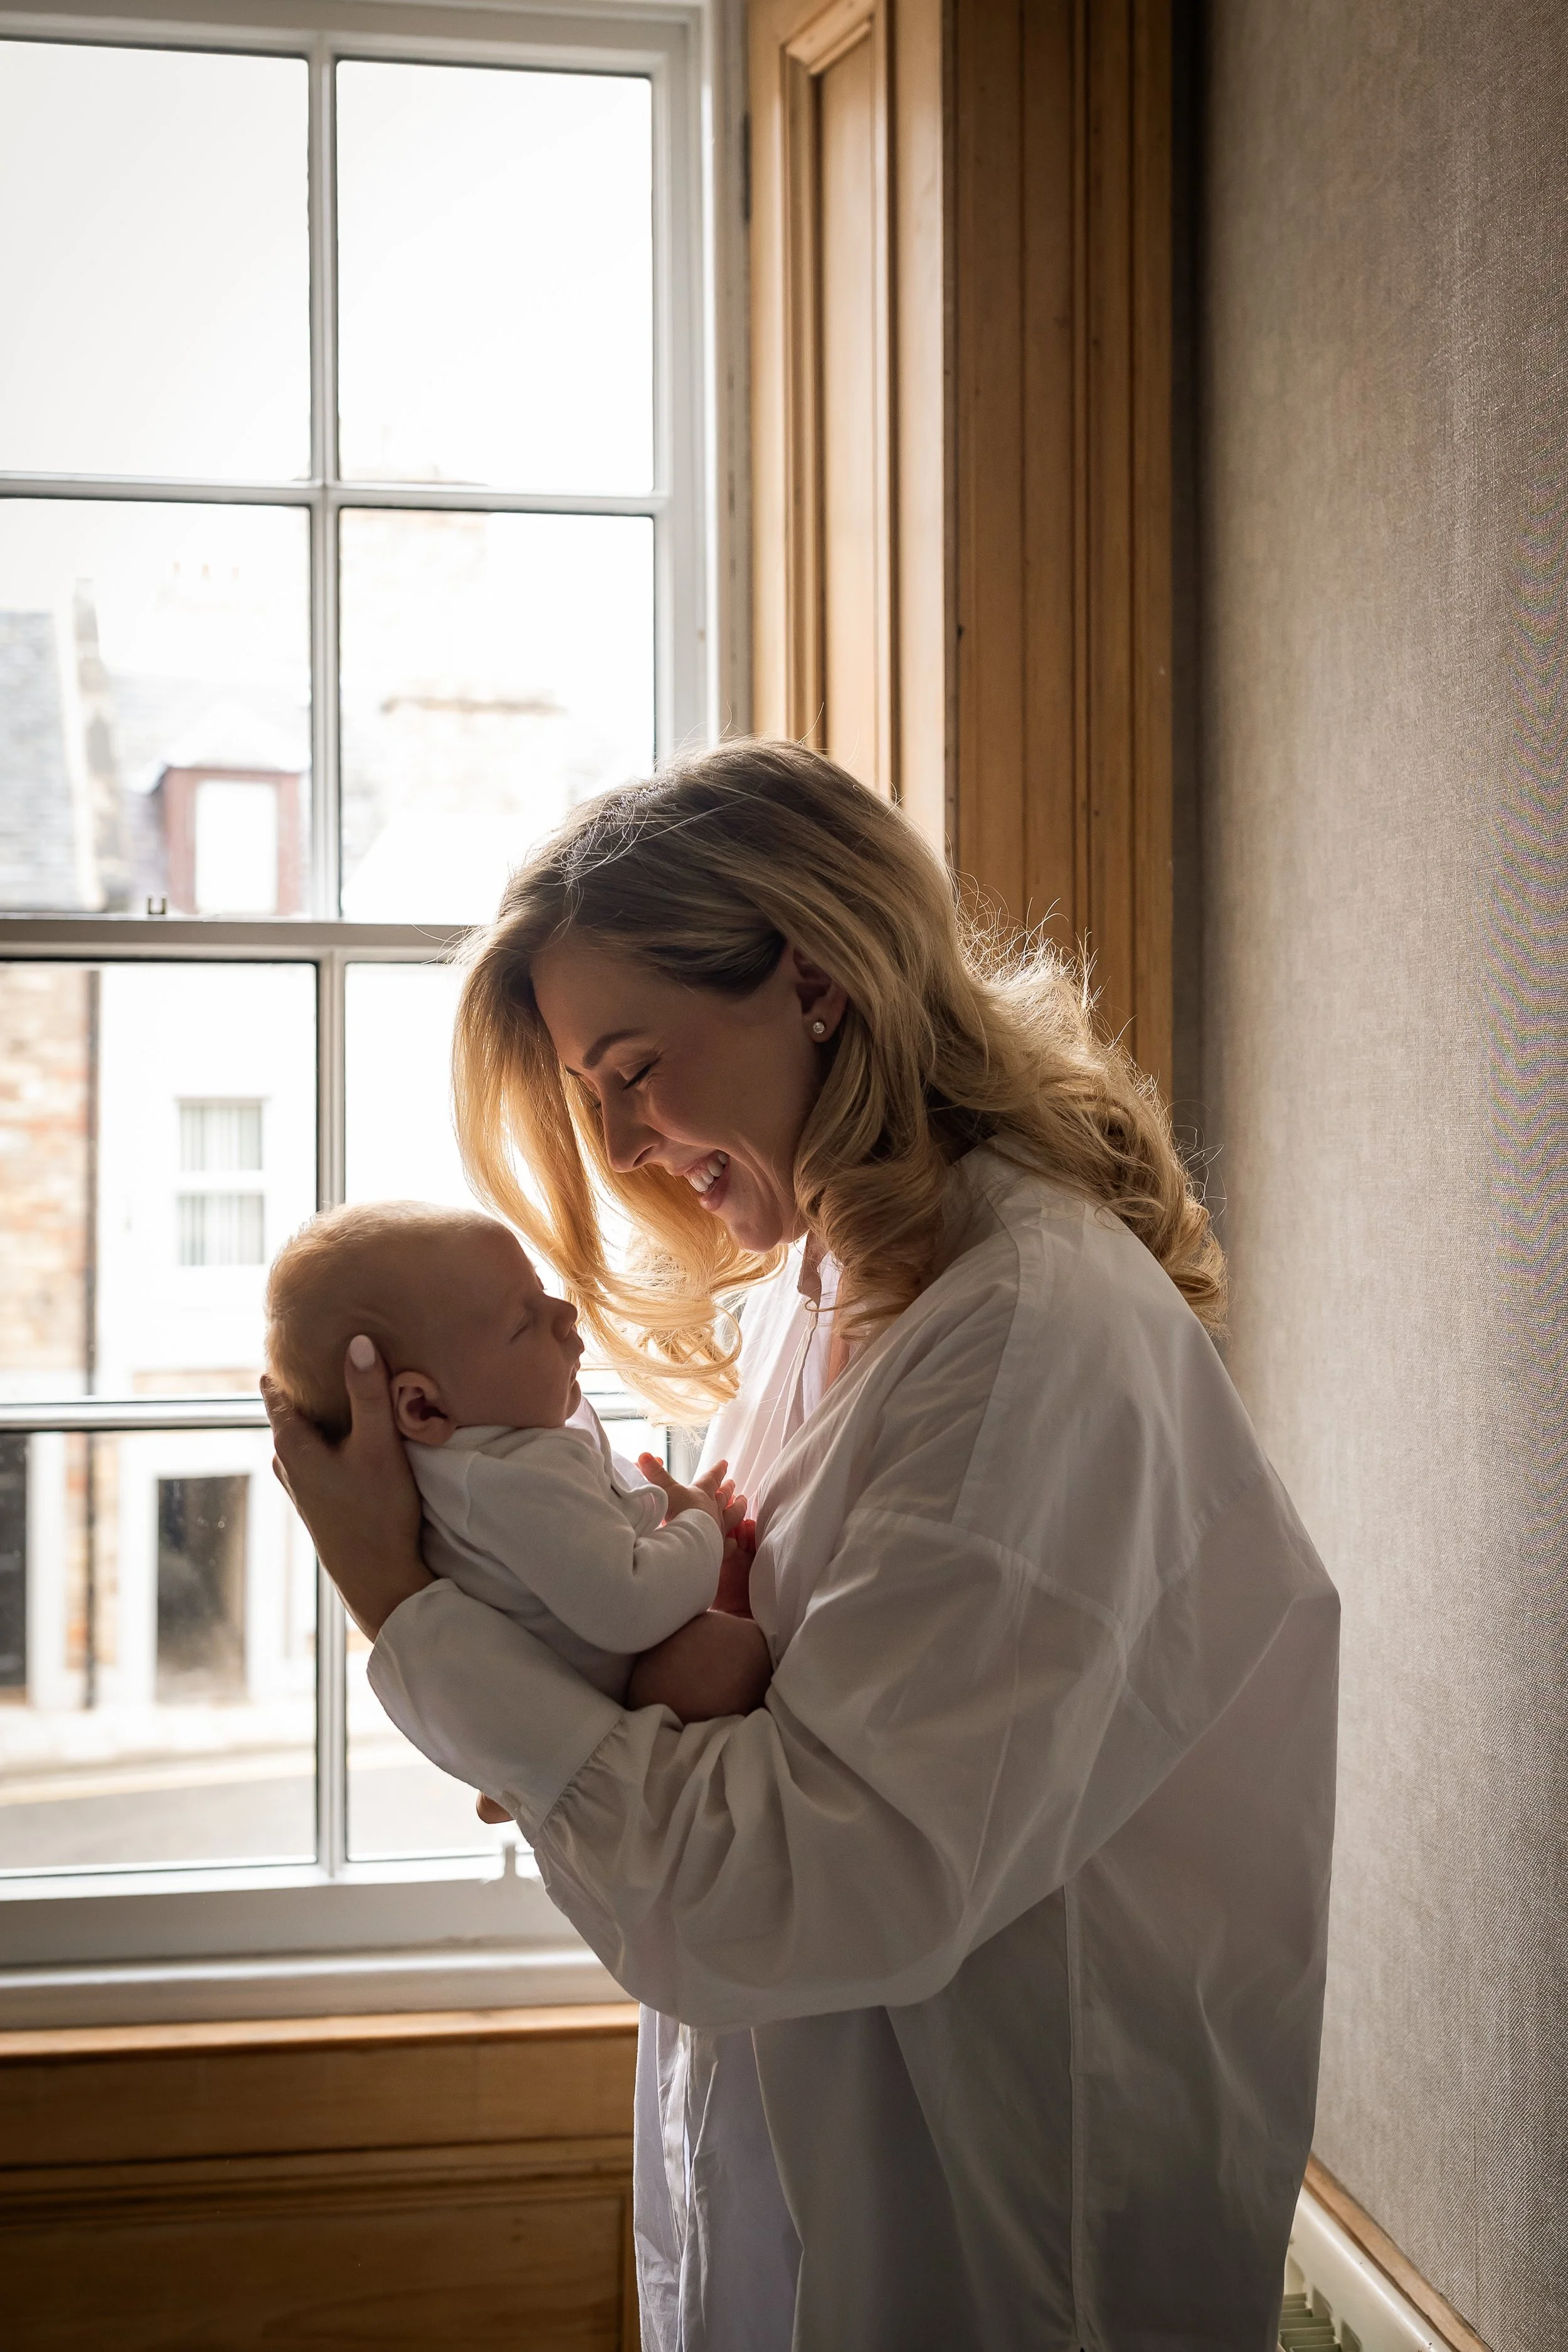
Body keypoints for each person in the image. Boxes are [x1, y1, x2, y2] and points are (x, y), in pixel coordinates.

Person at [266, 741, 1339, 2352]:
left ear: (815, 977)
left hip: (989, 2238)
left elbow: (804, 1884)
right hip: (811, 2199)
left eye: (634, 1066)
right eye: (590, 1092)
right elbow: (716, 1715)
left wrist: (407, 1612)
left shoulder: (1025, 1342)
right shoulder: (814, 1294)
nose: (622, 1141)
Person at [262, 1200, 765, 1714]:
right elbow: (628, 1603)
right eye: (524, 1322)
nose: (565, 1313)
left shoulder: (474, 1459)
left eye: (542, 1294)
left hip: (587, 1683)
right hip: (611, 1699)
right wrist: (697, 1523)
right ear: (422, 1406)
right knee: (730, 1656)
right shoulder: (513, 1475)